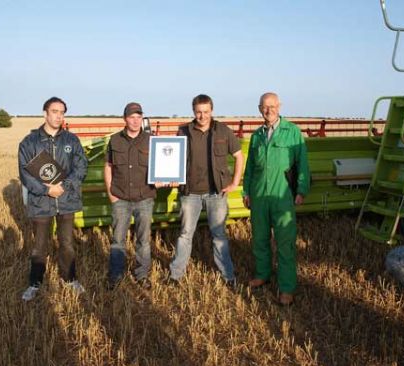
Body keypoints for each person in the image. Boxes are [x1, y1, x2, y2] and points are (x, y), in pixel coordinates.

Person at [242, 92, 310, 305]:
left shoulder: (292, 132)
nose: (269, 110)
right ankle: (262, 275)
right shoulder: (257, 135)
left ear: (279, 106)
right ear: (259, 108)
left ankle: (287, 287)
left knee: (285, 242)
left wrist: (301, 190)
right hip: (259, 194)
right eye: (265, 106)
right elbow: (251, 167)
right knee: (260, 238)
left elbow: (303, 163)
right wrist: (246, 192)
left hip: (282, 195)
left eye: (273, 106)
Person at [169, 94, 243, 287]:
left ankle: (228, 276)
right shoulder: (184, 131)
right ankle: (175, 275)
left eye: (206, 112)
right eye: (198, 112)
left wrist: (235, 183)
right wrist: (168, 176)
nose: (202, 116)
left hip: (216, 193)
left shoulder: (223, 130)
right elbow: (173, 158)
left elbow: (239, 156)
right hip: (190, 193)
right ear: (193, 112)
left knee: (219, 235)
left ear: (212, 111)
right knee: (185, 234)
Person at [18, 97, 88, 301]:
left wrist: (63, 187)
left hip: (66, 202)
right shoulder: (29, 142)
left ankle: (69, 279)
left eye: (62, 112)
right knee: (40, 245)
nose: (59, 116)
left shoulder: (71, 140)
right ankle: (35, 283)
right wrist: (46, 190)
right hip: (41, 203)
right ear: (45, 113)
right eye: (55, 111)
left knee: (66, 244)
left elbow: (81, 167)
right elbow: (24, 173)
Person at [104, 102, 156, 289]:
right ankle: (116, 275)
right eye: (132, 117)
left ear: (142, 119)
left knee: (143, 239)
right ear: (125, 119)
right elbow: (108, 166)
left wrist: (164, 177)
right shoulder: (115, 140)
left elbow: (161, 166)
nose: (135, 121)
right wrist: (111, 193)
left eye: (139, 117)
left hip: (145, 198)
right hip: (121, 198)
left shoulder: (151, 140)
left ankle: (142, 274)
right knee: (118, 239)